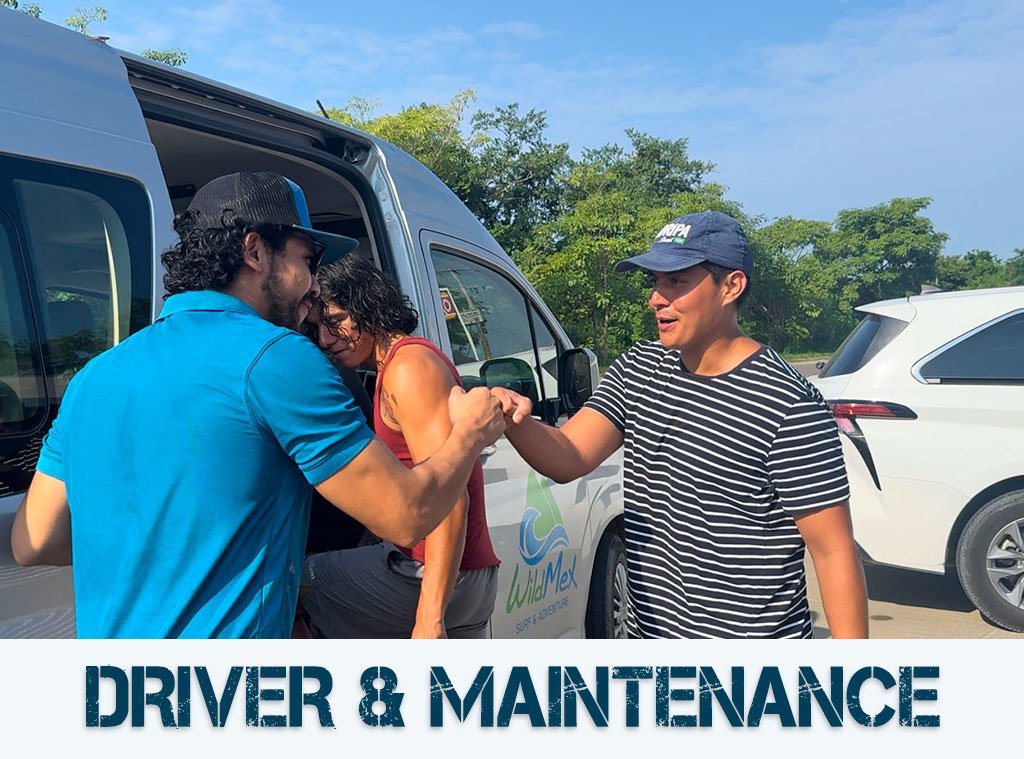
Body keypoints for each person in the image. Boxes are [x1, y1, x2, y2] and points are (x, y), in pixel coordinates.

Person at [9, 171, 504, 638]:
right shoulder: (278, 358)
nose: (313, 284)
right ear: (254, 250)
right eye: (308, 261)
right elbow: (406, 514)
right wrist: (469, 434)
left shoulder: (93, 378)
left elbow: (34, 542)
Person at [493, 210, 868, 639]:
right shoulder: (641, 368)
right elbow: (569, 455)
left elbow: (834, 551)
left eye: (677, 281)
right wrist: (511, 417)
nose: (656, 298)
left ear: (731, 286)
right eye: (654, 282)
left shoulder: (786, 402)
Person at [300, 255, 500, 638]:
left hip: (436, 577)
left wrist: (431, 617)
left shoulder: (408, 369)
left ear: (370, 307)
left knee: (290, 585)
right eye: (317, 328)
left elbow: (450, 496)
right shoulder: (400, 364)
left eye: (336, 321)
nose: (325, 340)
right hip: (458, 576)